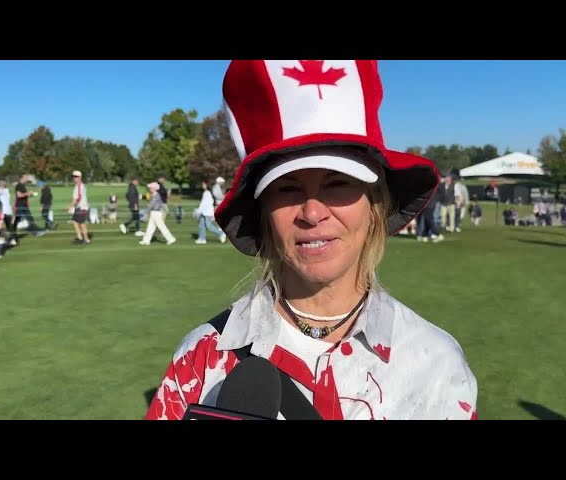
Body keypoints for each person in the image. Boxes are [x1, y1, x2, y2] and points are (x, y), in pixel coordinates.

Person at [145, 60, 477, 420]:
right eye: (287, 189)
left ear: (375, 204)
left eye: (338, 183)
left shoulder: (436, 362)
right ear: (264, 214)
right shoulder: (200, 359)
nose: (313, 212)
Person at [138, 182, 176, 246]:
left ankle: (170, 239)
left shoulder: (156, 195)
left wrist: (146, 211)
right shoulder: (154, 195)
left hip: (156, 213)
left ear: (154, 188)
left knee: (161, 227)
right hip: (154, 213)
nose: (149, 188)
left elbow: (151, 205)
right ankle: (146, 240)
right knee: (150, 227)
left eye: (151, 187)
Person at [194, 179, 226, 245]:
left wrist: (198, 211)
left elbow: (204, 204)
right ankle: (202, 239)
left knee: (209, 227)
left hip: (207, 213)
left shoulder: (207, 193)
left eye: (203, 184)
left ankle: (221, 233)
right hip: (204, 212)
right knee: (201, 225)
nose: (202, 185)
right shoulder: (207, 192)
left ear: (206, 185)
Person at [68, 170, 91, 244]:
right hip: (79, 207)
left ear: (80, 177)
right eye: (74, 177)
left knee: (82, 224)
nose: (75, 178)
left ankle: (86, 239)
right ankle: (79, 236)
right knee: (75, 221)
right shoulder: (78, 185)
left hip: (82, 207)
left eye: (76, 177)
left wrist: (71, 205)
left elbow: (78, 197)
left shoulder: (79, 186)